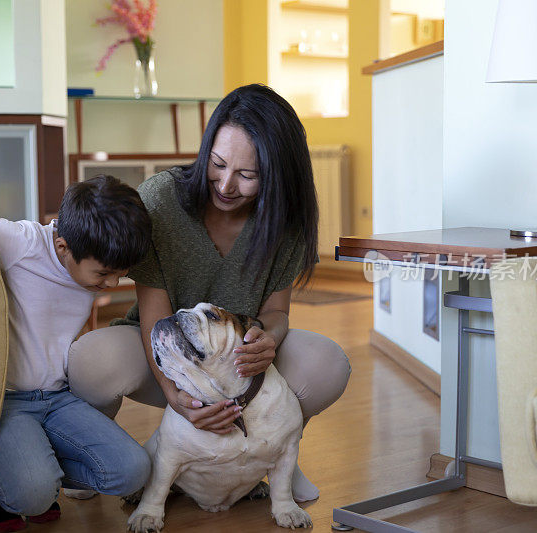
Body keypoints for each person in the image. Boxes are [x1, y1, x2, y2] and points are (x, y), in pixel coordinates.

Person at [68, 84, 351, 503]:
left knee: (328, 365)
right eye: (217, 164)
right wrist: (173, 396)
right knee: (88, 360)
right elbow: (154, 317)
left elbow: (277, 312)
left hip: (235, 365)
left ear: (276, 176)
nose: (225, 184)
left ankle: (267, 454)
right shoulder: (160, 199)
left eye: (248, 176)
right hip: (160, 354)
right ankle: (91, 459)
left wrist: (268, 337)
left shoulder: (284, 221)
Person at [0, 175, 153, 533]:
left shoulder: (93, 254)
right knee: (34, 496)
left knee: (133, 472)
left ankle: (28, 470)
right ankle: (12, 486)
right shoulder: (20, 241)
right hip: (7, 402)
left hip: (59, 397)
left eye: (121, 274)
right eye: (104, 274)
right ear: (64, 246)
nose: (112, 284)